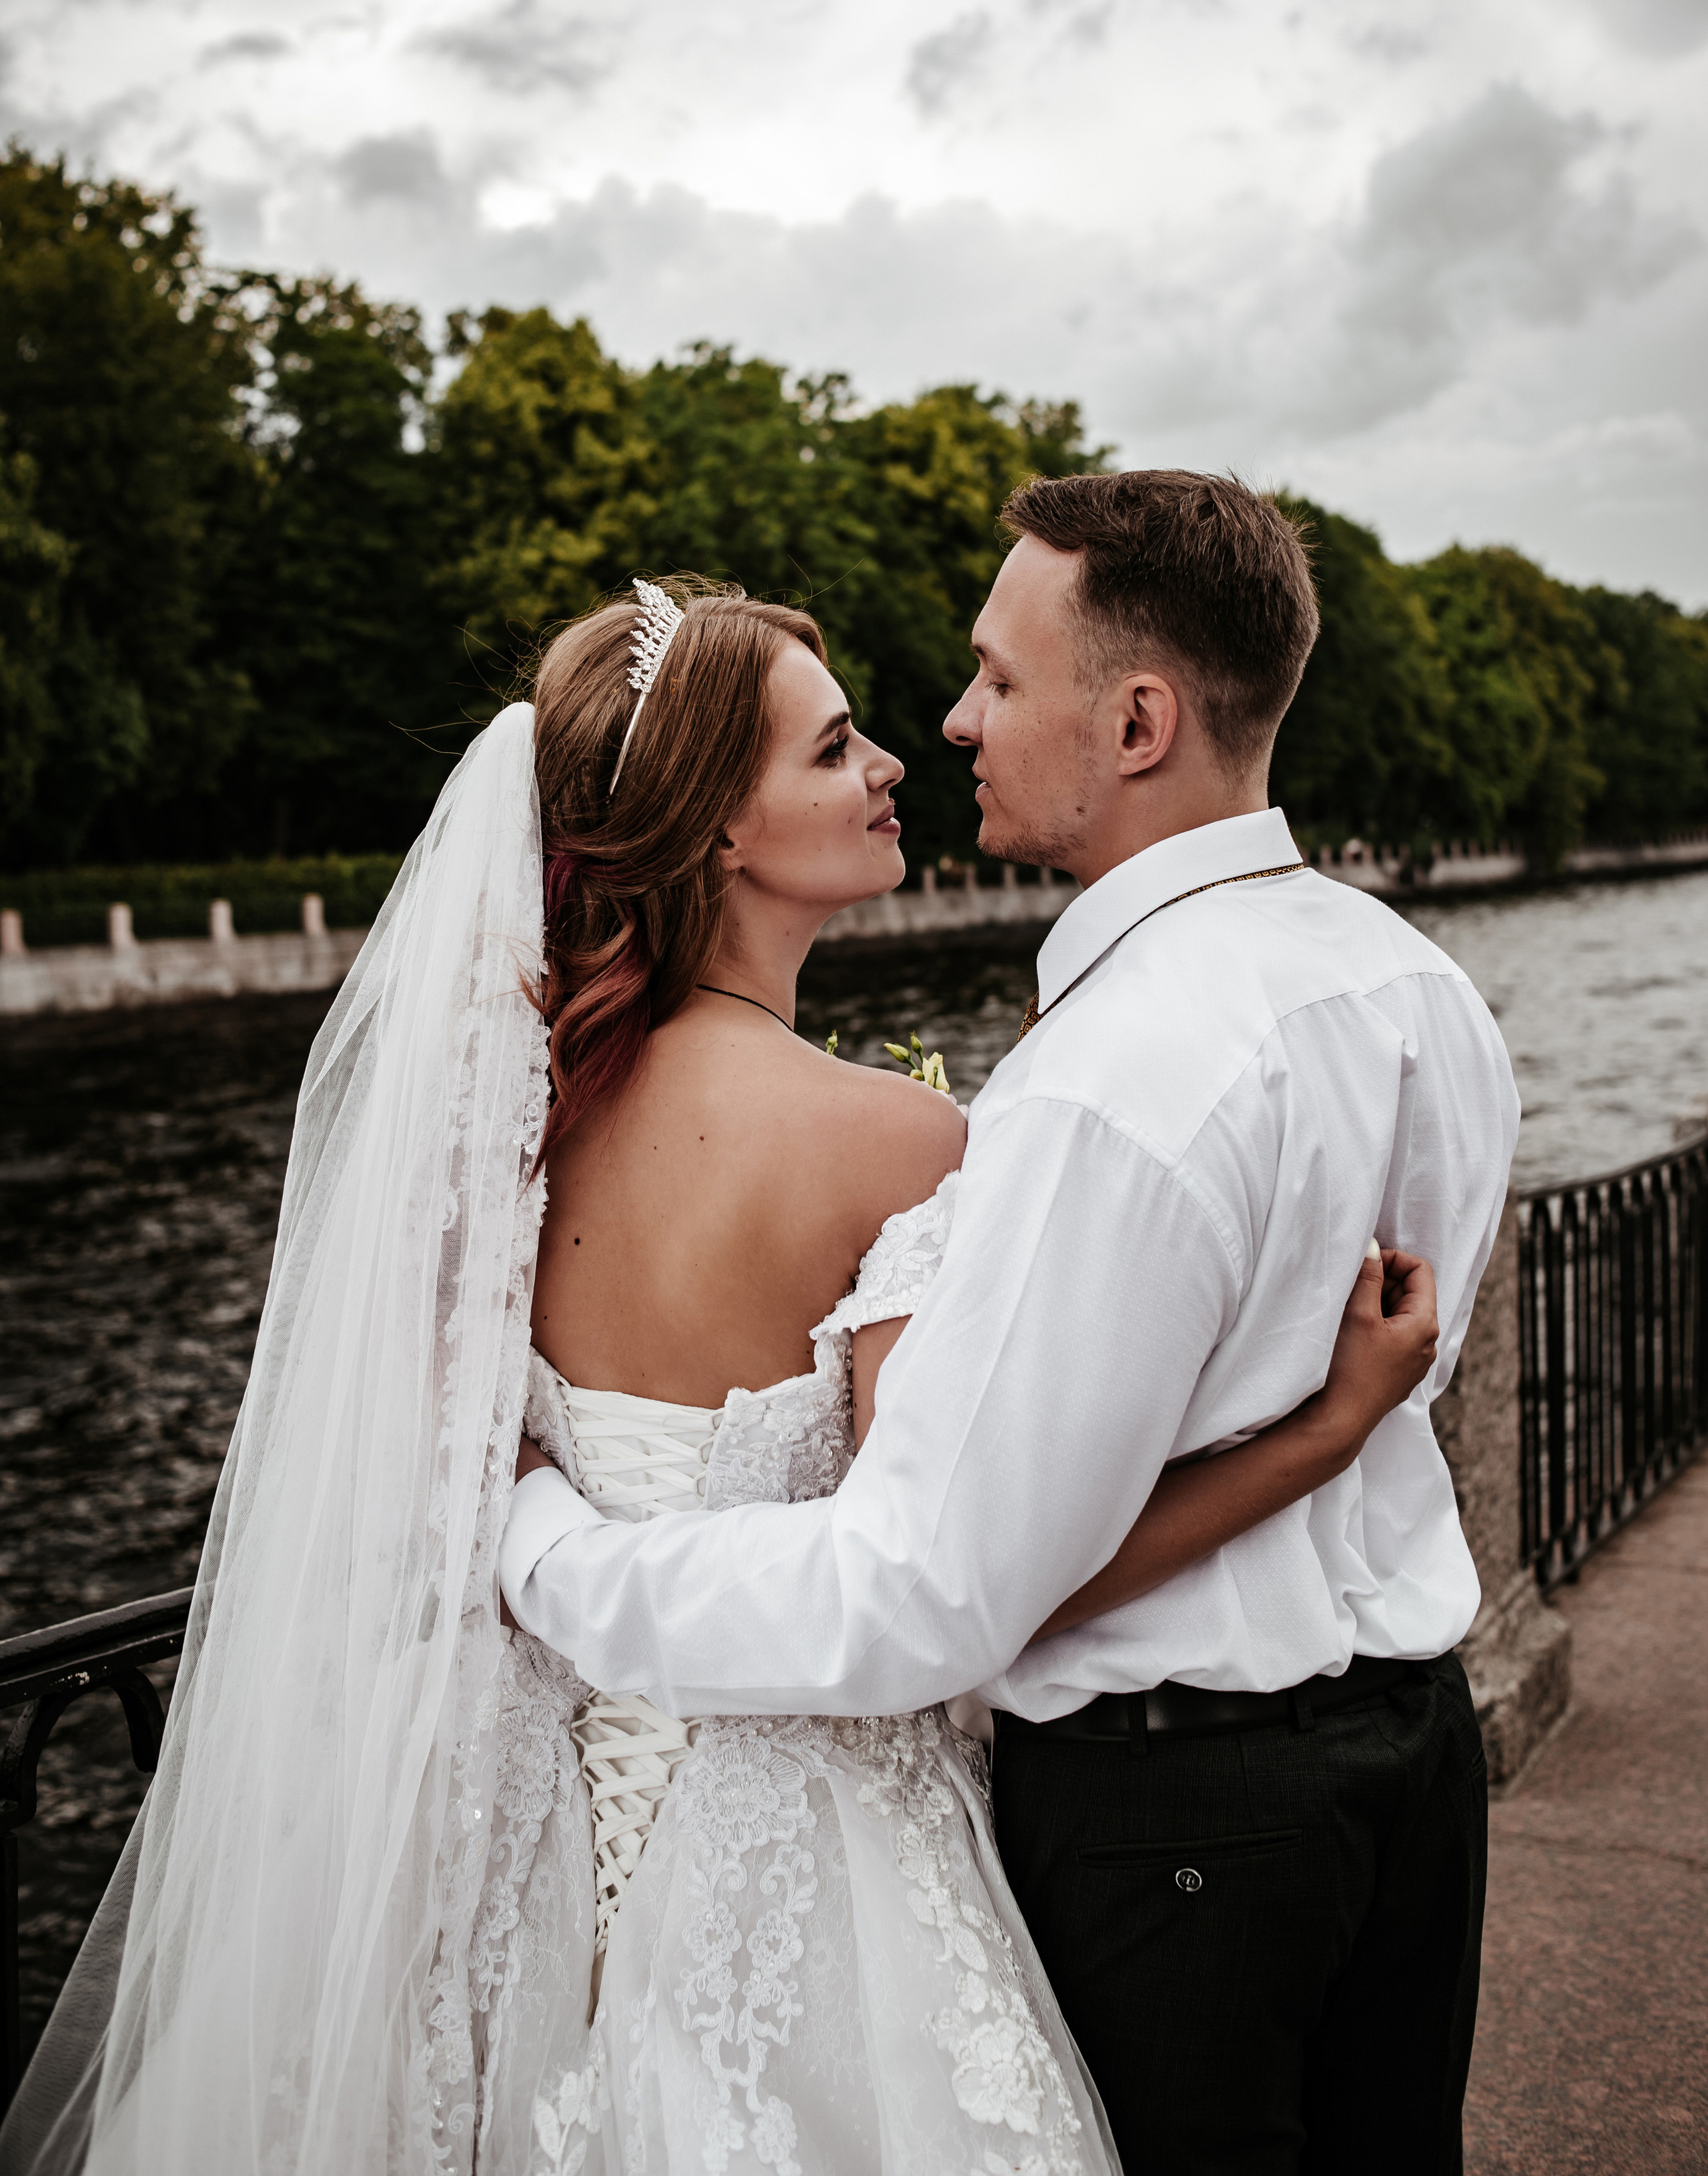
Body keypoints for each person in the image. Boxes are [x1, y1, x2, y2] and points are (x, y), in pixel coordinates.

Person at [1, 565, 1435, 2176]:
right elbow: (993, 1584)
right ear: (721, 831)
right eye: (832, 751)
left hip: (496, 1832)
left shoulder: (499, 1133)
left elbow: (436, 1474)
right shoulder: (890, 1141)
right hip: (801, 1845)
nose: (895, 760)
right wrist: (1327, 1427)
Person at [501, 477, 1523, 2176]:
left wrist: (541, 1548)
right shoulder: (1420, 991)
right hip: (1413, 1765)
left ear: (1134, 719)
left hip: (1170, 1820)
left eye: (991, 676)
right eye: (852, 739)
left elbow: (941, 1586)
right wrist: (1333, 1432)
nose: (947, 723)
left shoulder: (1101, 1080)